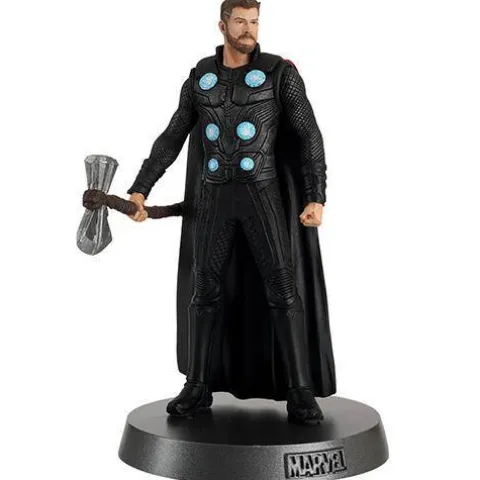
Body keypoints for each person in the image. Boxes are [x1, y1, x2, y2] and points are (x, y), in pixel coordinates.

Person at [127, 0, 336, 424]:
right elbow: (173, 135)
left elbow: (308, 134)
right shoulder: (200, 78)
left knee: (283, 288)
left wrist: (316, 195)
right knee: (204, 290)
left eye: (254, 21)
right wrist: (140, 188)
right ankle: (197, 386)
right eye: (240, 21)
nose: (248, 29)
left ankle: (299, 390)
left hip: (262, 195)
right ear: (223, 25)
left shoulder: (280, 74)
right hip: (214, 198)